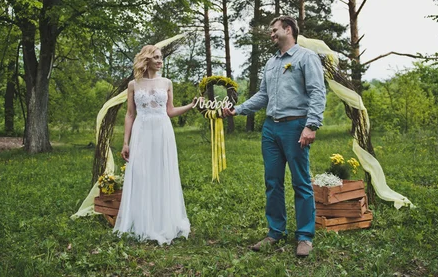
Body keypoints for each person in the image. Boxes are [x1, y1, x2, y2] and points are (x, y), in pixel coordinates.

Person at [222, 15, 326, 257]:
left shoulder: (306, 58)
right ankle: (275, 232)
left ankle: (304, 237)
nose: (271, 34)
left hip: (296, 127)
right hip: (271, 129)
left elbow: (317, 93)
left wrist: (311, 125)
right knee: (272, 182)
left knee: (301, 182)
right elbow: (262, 96)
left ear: (288, 29)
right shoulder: (271, 63)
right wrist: (237, 110)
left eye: (274, 30)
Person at [114, 45, 197, 245]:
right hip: (141, 131)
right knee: (142, 173)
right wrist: (125, 142)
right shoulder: (134, 85)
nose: (160, 61)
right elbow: (130, 114)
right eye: (156, 57)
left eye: (161, 57)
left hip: (162, 131)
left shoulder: (167, 82)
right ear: (147, 60)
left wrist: (191, 105)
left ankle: (164, 220)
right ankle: (143, 221)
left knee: (162, 171)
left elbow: (170, 111)